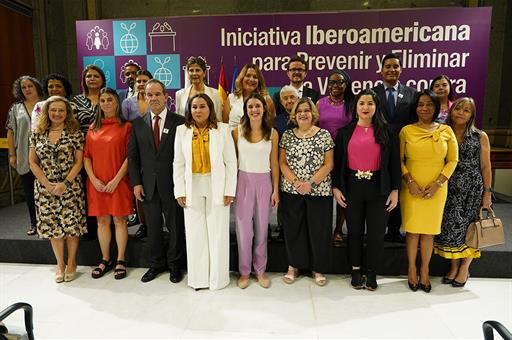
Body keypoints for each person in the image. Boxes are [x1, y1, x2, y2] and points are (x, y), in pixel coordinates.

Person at [332, 89, 400, 290]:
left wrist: (395, 190)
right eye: (362, 103)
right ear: (356, 106)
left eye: (370, 103)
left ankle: (371, 272)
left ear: (376, 107)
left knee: (377, 234)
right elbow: (338, 163)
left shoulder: (387, 132)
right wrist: (336, 187)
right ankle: (355, 270)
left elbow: (395, 164)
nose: (365, 107)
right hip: (352, 188)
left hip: (379, 189)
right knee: (354, 232)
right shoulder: (345, 132)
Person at [173, 93, 237, 290]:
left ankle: (218, 279)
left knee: (217, 232)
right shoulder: (182, 131)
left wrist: (229, 190)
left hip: (216, 184)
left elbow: (230, 162)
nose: (198, 110)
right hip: (192, 185)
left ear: (210, 109)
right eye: (194, 107)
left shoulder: (223, 130)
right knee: (194, 233)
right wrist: (180, 191)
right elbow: (178, 163)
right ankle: (198, 279)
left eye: (202, 106)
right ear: (189, 110)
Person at [128, 79, 186, 283]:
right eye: (148, 95)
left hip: (173, 186)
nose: (153, 98)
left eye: (157, 94)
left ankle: (175, 265)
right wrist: (136, 183)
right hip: (148, 187)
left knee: (175, 227)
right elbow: (133, 157)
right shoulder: (137, 124)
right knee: (153, 229)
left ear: (166, 96)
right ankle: (156, 264)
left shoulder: (180, 122)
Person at [400, 90, 458, 293]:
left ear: (436, 107)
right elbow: (398, 160)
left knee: (429, 233)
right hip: (411, 187)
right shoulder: (406, 130)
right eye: (420, 104)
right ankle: (411, 268)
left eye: (429, 105)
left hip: (437, 188)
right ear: (415, 108)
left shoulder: (446, 131)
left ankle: (425, 270)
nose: (424, 108)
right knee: (413, 231)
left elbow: (452, 160)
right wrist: (409, 181)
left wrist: (438, 183)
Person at [434, 97, 492, 287]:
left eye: (466, 110)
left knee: (470, 229)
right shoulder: (442, 132)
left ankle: (465, 268)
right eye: (458, 108)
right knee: (450, 229)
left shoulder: (479, 135)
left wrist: (487, 193)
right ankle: (453, 265)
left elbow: (485, 167)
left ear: (471, 115)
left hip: (472, 190)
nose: (461, 112)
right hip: (448, 187)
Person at [29, 96, 86, 283]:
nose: (57, 113)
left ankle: (72, 262)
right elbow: (32, 162)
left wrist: (65, 183)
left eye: (61, 110)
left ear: (67, 112)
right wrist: (46, 183)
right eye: (53, 110)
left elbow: (79, 162)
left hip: (70, 187)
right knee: (53, 227)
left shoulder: (74, 132)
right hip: (45, 188)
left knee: (71, 226)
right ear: (47, 111)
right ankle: (60, 264)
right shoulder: (37, 132)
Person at [279, 97, 334, 286]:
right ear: (294, 114)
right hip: (291, 190)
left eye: (306, 110)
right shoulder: (287, 135)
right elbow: (282, 163)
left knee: (318, 230)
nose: (303, 114)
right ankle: (293, 266)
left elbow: (329, 164)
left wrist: (310, 183)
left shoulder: (324, 134)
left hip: (319, 191)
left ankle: (317, 269)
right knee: (294, 229)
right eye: (299, 110)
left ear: (313, 114)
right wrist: (296, 182)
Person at [84, 88, 133, 280]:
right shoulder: (91, 128)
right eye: (103, 100)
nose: (106, 103)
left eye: (110, 100)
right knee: (102, 221)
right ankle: (105, 259)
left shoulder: (126, 127)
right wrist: (94, 179)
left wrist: (116, 180)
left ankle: (120, 259)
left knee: (120, 220)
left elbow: (130, 157)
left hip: (118, 182)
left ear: (117, 103)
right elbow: (86, 157)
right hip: (97, 184)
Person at [232, 93, 279, 289]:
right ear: (245, 110)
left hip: (264, 183)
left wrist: (276, 189)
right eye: (250, 106)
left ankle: (260, 270)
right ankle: (244, 272)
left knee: (261, 230)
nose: (254, 110)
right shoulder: (237, 132)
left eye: (257, 106)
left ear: (264, 108)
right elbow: (231, 162)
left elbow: (274, 163)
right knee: (244, 231)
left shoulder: (273, 133)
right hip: (243, 181)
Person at [372, 52, 418, 243]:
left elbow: (414, 120)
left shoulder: (411, 93)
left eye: (395, 66)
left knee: (398, 187)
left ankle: (394, 230)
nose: (391, 70)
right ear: (381, 70)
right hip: (378, 147)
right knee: (379, 188)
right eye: (387, 66)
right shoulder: (372, 93)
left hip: (404, 147)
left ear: (401, 70)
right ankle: (377, 229)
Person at [316, 70, 355, 247]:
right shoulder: (320, 103)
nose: (335, 86)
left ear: (346, 85)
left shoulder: (352, 105)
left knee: (342, 194)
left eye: (339, 82)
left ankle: (338, 230)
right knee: (323, 193)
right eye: (332, 82)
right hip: (322, 155)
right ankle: (322, 229)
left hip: (345, 154)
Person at [6, 76, 43, 236]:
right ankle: (34, 223)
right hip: (23, 154)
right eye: (24, 87)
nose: (27, 89)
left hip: (45, 155)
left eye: (30, 86)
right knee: (29, 192)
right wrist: (12, 154)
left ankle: (48, 223)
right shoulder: (16, 108)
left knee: (46, 191)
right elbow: (10, 131)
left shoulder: (46, 104)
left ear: (36, 87)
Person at [222, 63, 275, 127]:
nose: (251, 79)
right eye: (248, 75)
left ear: (259, 81)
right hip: (232, 136)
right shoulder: (231, 98)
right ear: (242, 78)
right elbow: (225, 124)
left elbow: (271, 124)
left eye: (255, 77)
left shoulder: (266, 99)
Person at [175, 56, 223, 122]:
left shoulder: (215, 93)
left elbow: (218, 119)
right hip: (186, 131)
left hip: (209, 131)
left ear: (204, 73)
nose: (194, 73)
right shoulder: (179, 94)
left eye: (197, 70)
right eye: (191, 70)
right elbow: (178, 120)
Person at [72, 65, 106, 134]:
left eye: (96, 76)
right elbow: (71, 126)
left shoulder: (109, 99)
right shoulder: (76, 101)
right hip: (83, 141)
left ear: (102, 80)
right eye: (88, 76)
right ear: (84, 80)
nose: (92, 78)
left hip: (107, 140)